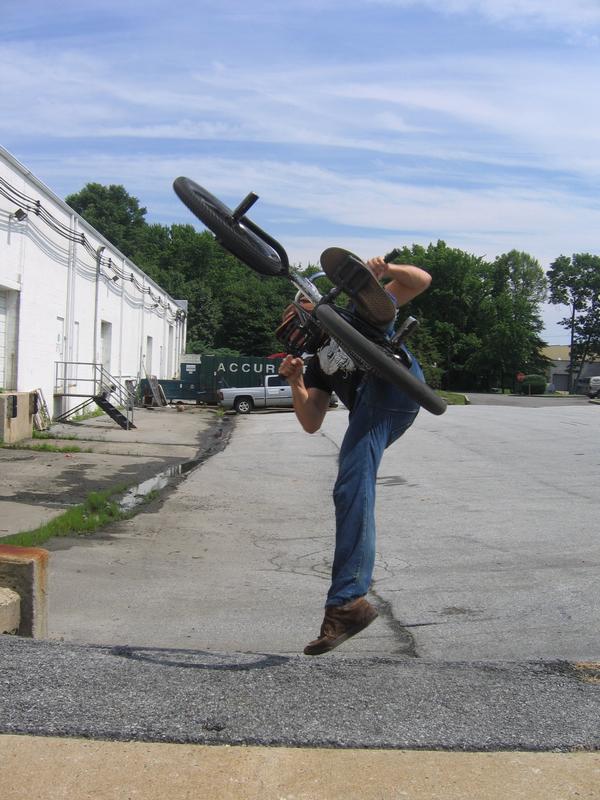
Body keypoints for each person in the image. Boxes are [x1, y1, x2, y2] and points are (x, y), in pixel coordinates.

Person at [278, 250, 432, 656]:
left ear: (319, 298)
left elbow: (421, 281)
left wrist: (386, 271)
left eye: (304, 303)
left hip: (395, 390)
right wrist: (296, 381)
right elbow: (311, 421)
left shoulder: (358, 312)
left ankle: (347, 601)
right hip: (369, 409)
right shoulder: (316, 364)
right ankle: (349, 607)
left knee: (374, 314)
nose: (299, 315)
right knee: (350, 489)